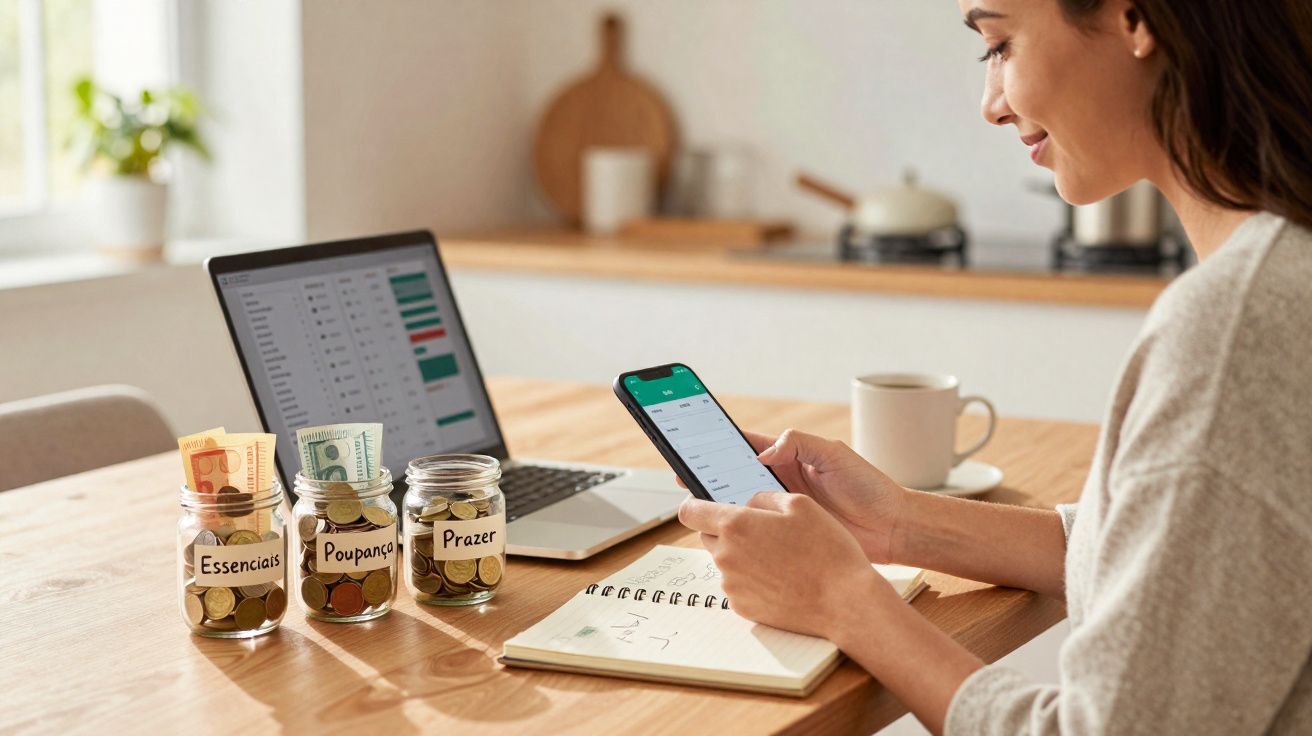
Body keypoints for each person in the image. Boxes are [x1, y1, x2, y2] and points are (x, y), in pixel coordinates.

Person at [677, 1, 1312, 733]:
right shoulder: (1277, 276)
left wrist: (844, 602)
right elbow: (1192, 554)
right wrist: (900, 523)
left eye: (1001, 44)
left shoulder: (1235, 327)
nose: (990, 104)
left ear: (1137, 19)